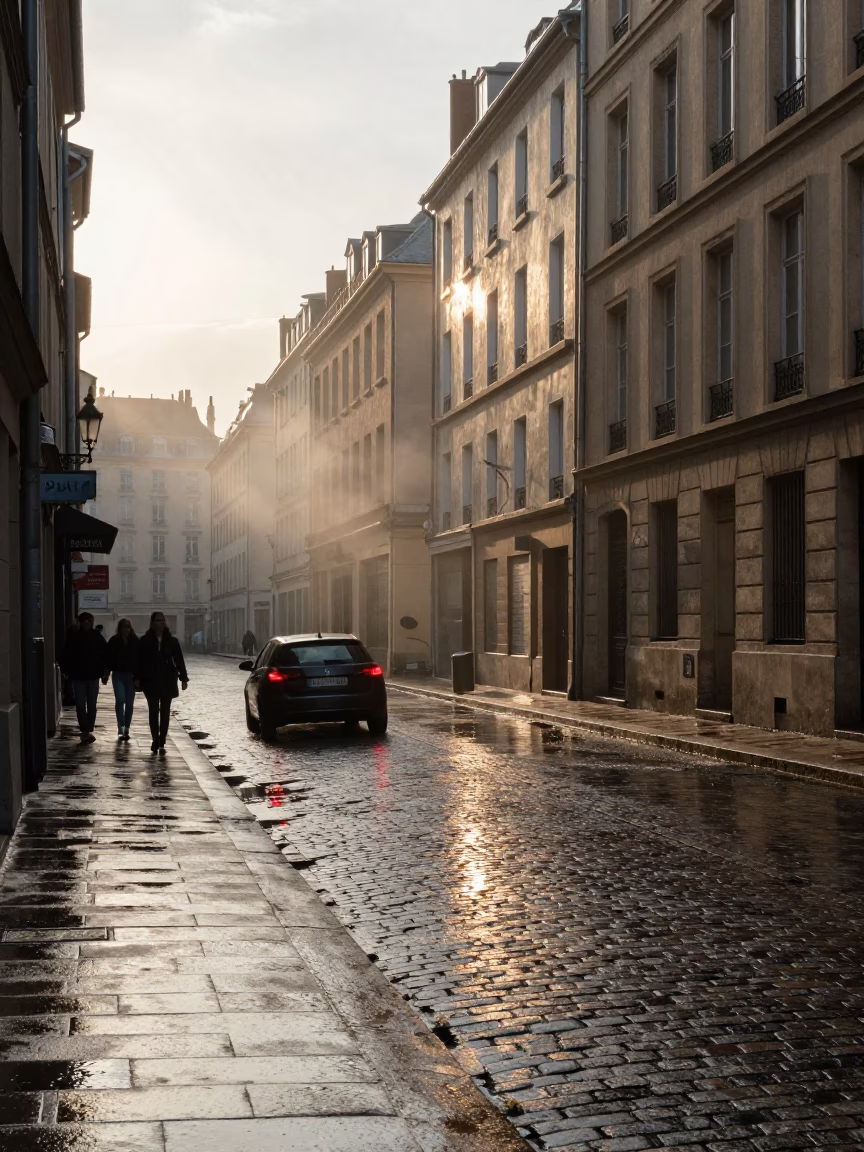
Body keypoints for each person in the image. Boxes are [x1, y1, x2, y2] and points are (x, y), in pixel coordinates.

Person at [135, 612, 189, 754]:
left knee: (165, 712)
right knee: (153, 711)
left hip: (167, 679)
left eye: (163, 621)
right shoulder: (145, 640)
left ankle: (162, 742)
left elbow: (179, 660)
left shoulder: (172, 641)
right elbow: (139, 661)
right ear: (152, 623)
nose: (162, 623)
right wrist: (138, 678)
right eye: (158, 621)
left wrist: (183, 678)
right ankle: (155, 739)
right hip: (151, 680)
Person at [60, 611, 108, 743]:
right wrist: (66, 670)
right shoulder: (74, 637)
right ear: (80, 623)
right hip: (78, 676)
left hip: (93, 676)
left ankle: (88, 729)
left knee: (92, 705)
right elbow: (66, 654)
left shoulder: (96, 636)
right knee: (81, 705)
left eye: (90, 621)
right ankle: (85, 730)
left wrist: (104, 672)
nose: (87, 624)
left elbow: (105, 654)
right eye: (85, 621)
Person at [103, 618, 139, 741]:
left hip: (131, 676)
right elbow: (108, 658)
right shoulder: (114, 641)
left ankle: (126, 727)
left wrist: (139, 677)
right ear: (120, 628)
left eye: (128, 627)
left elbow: (140, 660)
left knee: (129, 704)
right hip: (118, 674)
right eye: (124, 627)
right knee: (120, 699)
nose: (126, 629)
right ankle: (120, 727)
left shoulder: (135, 641)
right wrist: (106, 674)